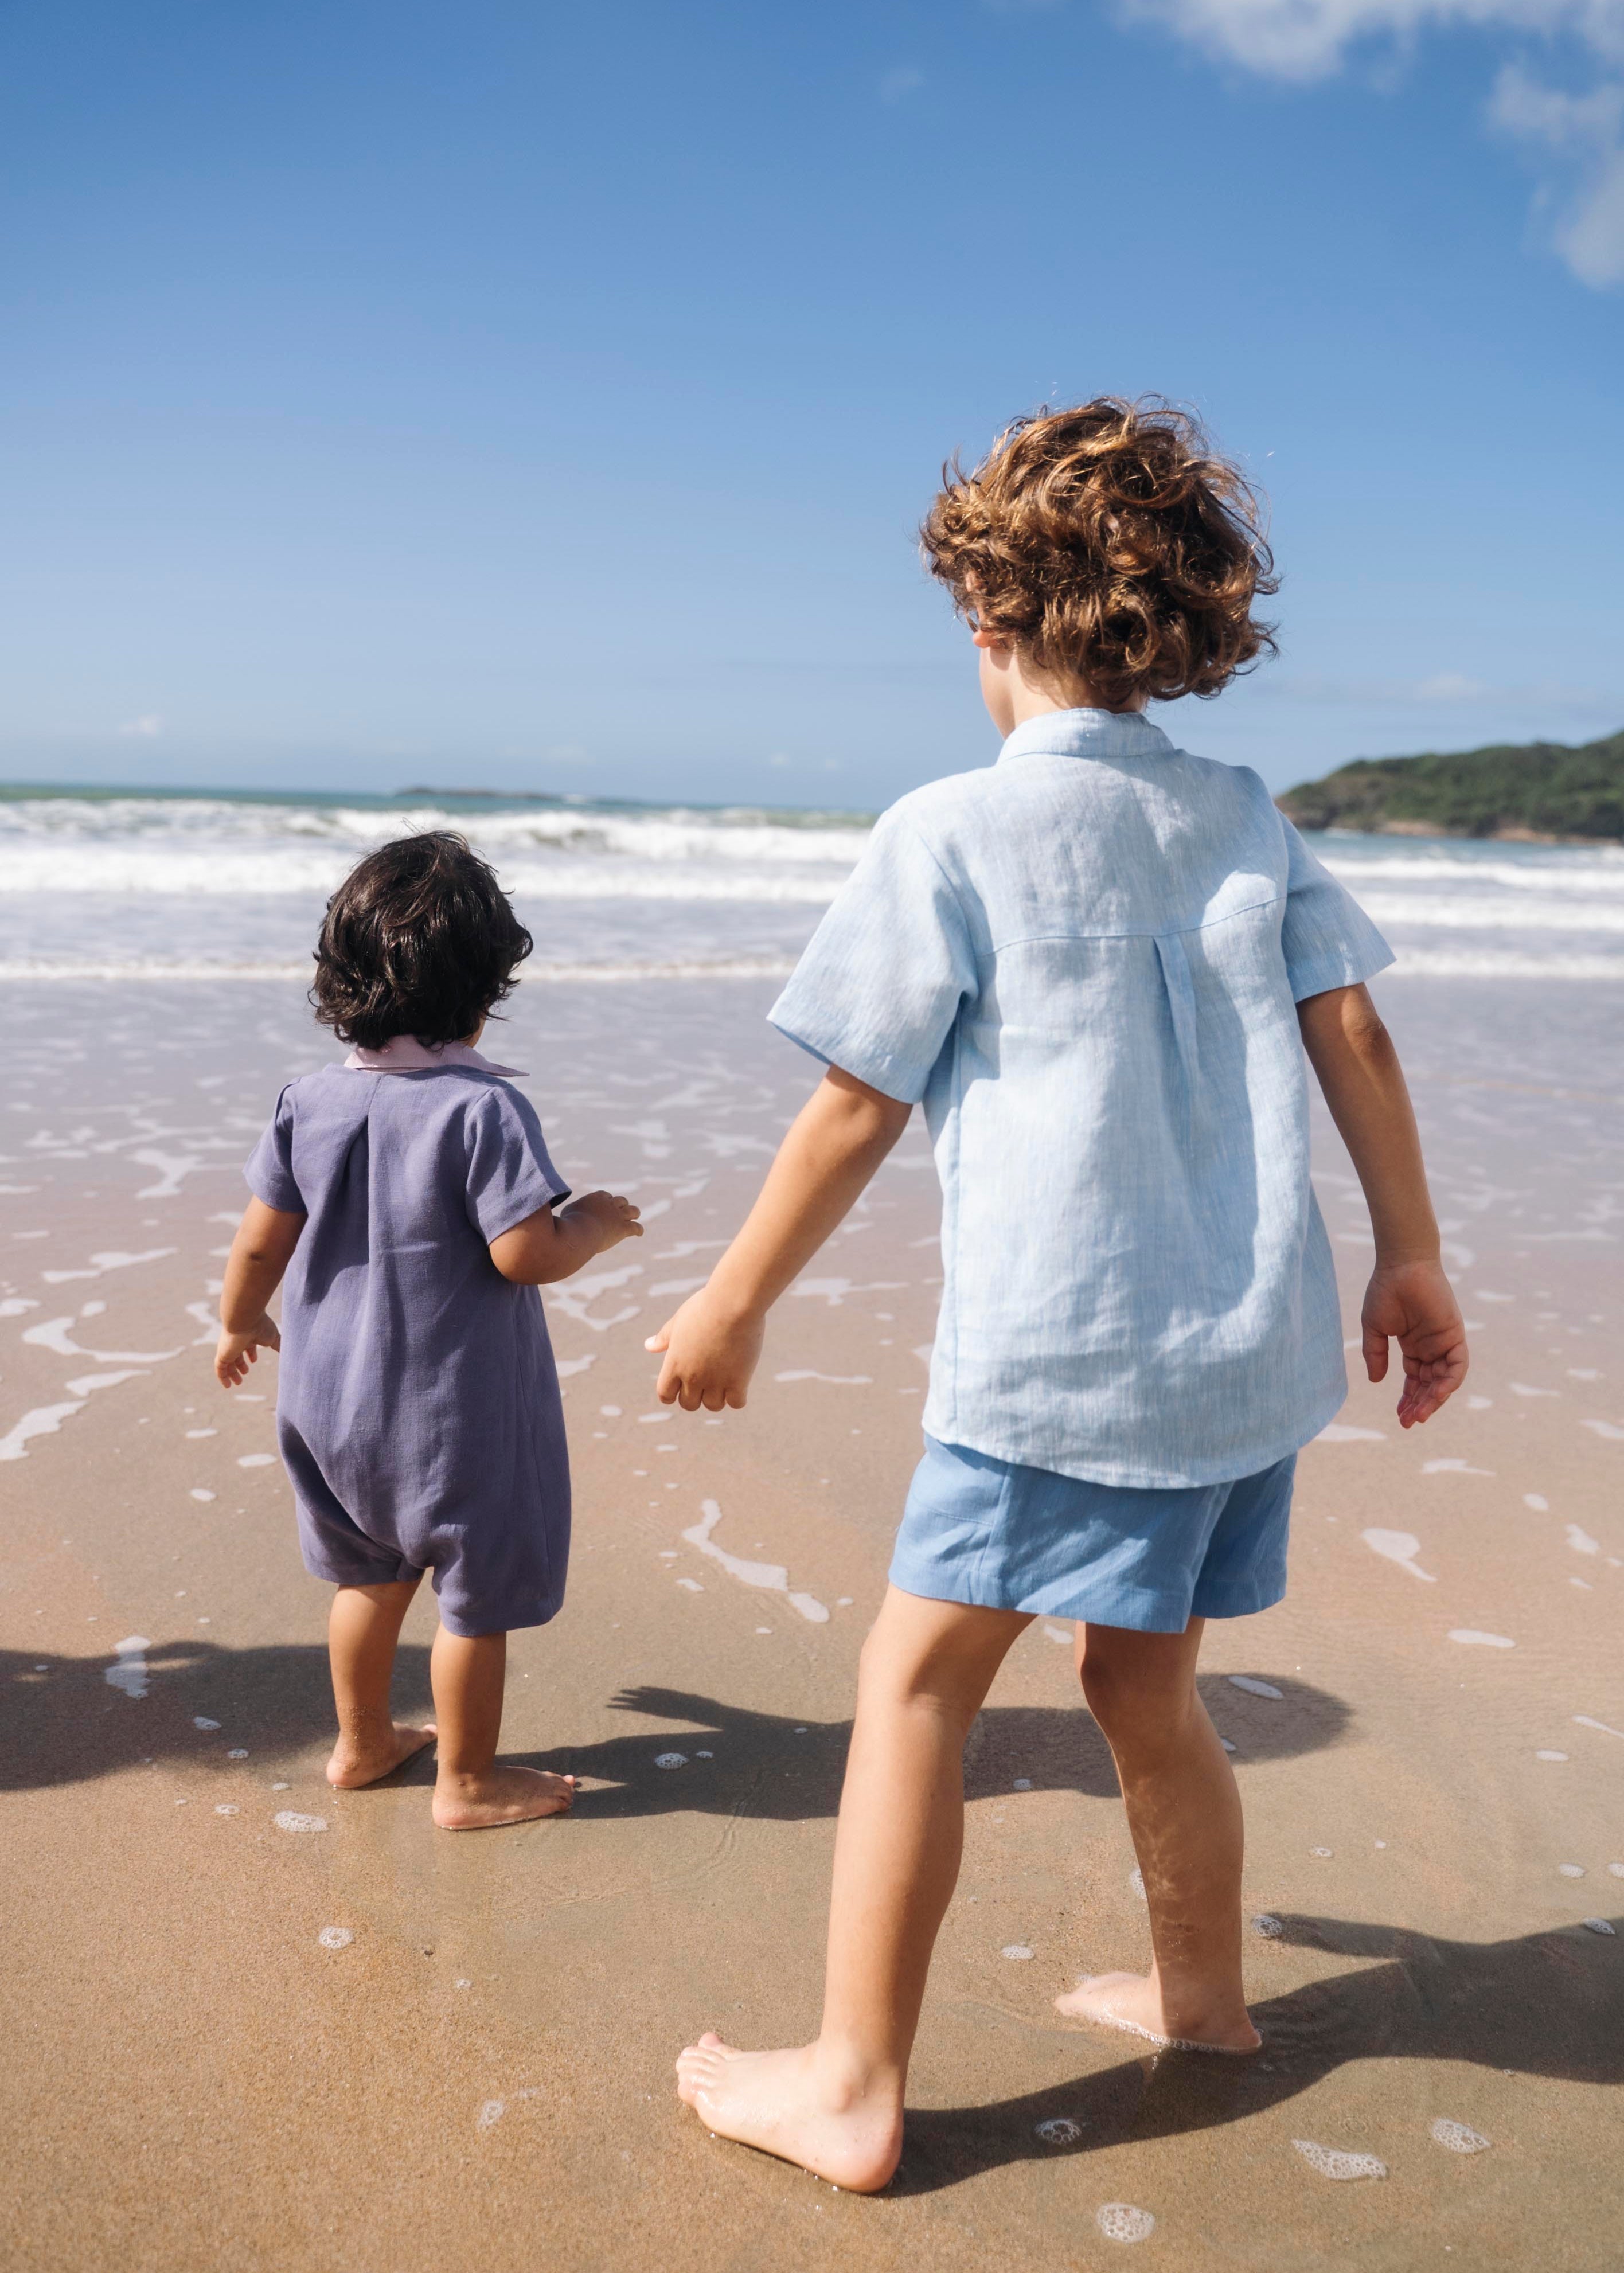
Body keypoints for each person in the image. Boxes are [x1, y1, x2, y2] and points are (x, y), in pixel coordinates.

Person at [649, 399, 1468, 2188]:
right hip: (1239, 1356)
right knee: (1137, 1679)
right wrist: (1411, 1253)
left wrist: (733, 1300)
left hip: (1065, 1359)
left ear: (984, 616)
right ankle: (1203, 2000)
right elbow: (1357, 1029)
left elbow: (858, 1095)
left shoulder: (949, 828)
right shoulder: (1246, 814)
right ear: (1178, 624)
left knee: (917, 1679)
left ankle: (855, 2080)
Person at [214, 831, 641, 1829]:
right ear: (486, 983)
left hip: (327, 1406)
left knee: (368, 1578)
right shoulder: (482, 1109)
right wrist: (598, 1225)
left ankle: (363, 1745)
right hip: (450, 1414)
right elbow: (523, 1254)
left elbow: (258, 1244)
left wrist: (238, 1322)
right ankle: (469, 1782)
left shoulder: (307, 1102)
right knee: (471, 1599)